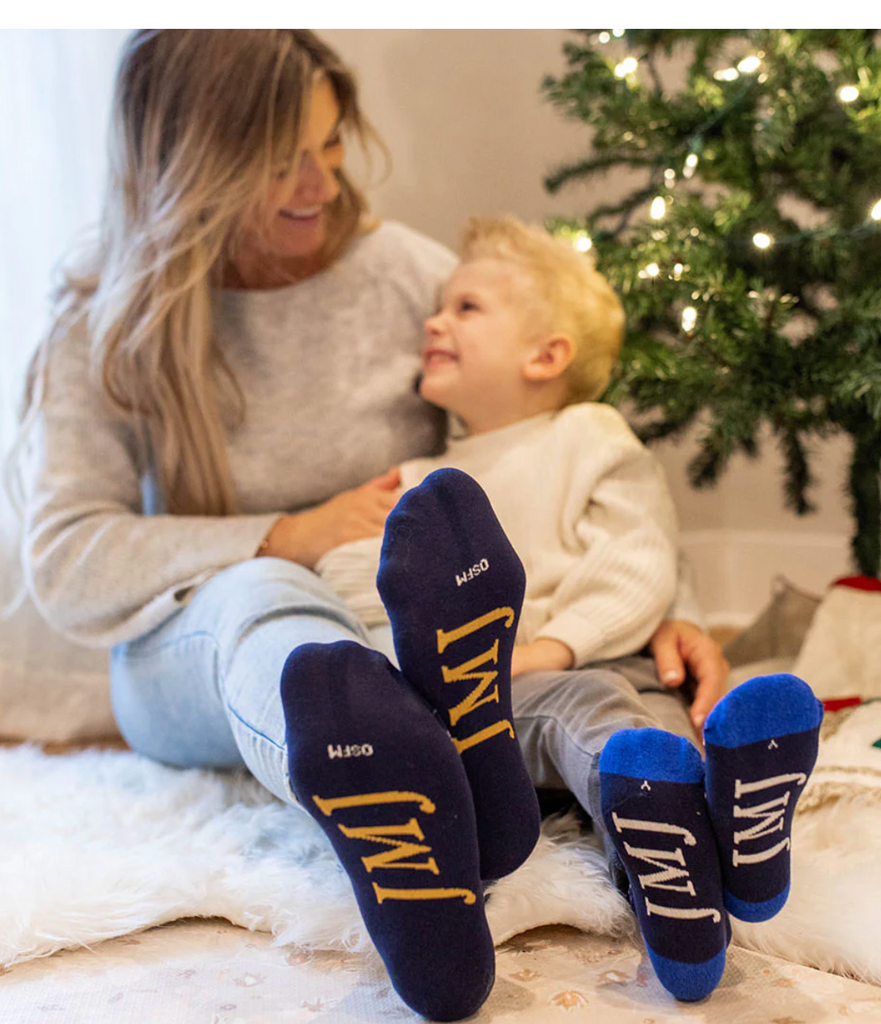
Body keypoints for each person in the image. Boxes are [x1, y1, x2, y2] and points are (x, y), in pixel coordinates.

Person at [11, 30, 733, 1019]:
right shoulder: (107, 316)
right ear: (191, 163)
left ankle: (419, 803)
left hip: (390, 631)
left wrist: (666, 605)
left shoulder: (400, 275)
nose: (320, 185)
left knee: (440, 616)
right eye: (280, 161)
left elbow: (549, 435)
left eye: (330, 143)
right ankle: (375, 757)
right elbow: (66, 559)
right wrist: (288, 535)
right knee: (268, 595)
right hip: (196, 653)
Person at [310, 216, 824, 1001]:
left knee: (654, 740)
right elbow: (352, 573)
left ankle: (694, 894)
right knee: (604, 724)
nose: (433, 323)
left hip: (602, 659)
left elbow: (637, 558)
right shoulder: (417, 480)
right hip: (486, 700)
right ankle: (732, 857)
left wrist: (550, 645)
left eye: (465, 308)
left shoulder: (591, 436)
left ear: (545, 355)